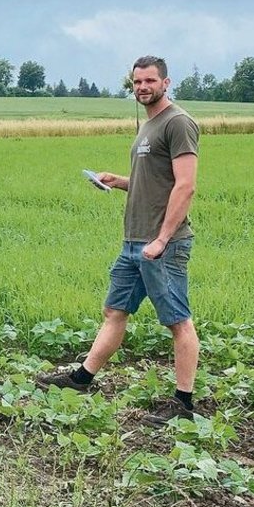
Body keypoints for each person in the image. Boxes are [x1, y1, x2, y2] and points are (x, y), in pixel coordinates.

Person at [36, 55, 200, 426]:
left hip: (162, 244)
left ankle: (184, 404)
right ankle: (81, 379)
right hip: (134, 242)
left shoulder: (178, 123)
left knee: (178, 321)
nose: (142, 87)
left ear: (166, 83)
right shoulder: (149, 125)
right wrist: (121, 181)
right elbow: (157, 181)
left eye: (150, 81)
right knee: (114, 310)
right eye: (137, 82)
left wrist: (162, 239)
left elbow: (186, 185)